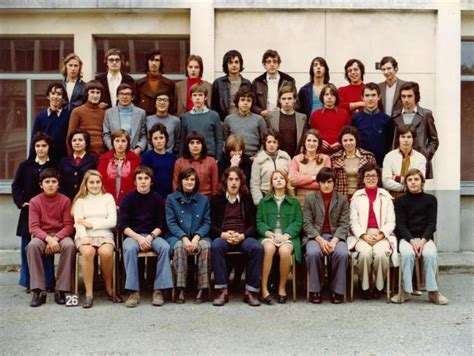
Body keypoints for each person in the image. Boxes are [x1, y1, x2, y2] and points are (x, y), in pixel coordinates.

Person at [118, 166, 173, 307]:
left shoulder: (157, 199)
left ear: (151, 181)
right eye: (140, 179)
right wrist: (139, 238)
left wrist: (150, 237)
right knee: (129, 248)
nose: (143, 182)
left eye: (146, 178)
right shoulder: (128, 199)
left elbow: (162, 224)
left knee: (165, 247)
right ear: (135, 182)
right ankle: (133, 291)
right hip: (133, 236)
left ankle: (159, 290)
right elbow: (122, 225)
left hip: (152, 235)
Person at [391, 169, 448, 305]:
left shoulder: (431, 200)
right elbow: (401, 225)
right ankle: (405, 291)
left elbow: (432, 224)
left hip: (425, 238)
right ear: (406, 183)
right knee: (407, 255)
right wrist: (411, 241)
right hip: (406, 238)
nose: (413, 182)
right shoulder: (400, 202)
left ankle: (433, 292)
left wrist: (422, 241)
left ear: (422, 182)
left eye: (416, 179)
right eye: (410, 180)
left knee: (430, 254)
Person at [210, 167, 263, 307]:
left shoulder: (247, 199)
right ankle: (222, 291)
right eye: (231, 179)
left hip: (242, 236)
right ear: (225, 181)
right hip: (224, 236)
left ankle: (250, 292)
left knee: (256, 248)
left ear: (241, 182)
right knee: (216, 246)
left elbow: (254, 225)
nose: (234, 183)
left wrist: (243, 235)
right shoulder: (216, 200)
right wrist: (222, 234)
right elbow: (211, 224)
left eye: (237, 179)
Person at [12, 132, 56, 293]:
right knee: (28, 248)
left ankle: (49, 282)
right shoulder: (25, 165)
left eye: (44, 145)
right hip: (29, 212)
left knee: (47, 249)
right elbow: (16, 186)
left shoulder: (54, 165)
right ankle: (30, 282)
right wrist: (21, 202)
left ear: (48, 147)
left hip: (49, 213)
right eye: (37, 146)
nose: (41, 149)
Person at [26, 168, 75, 307]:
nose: (50, 184)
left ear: (58, 184)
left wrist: (57, 238)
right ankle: (38, 290)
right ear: (41, 185)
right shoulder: (35, 201)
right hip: (42, 235)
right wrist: (48, 239)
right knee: (32, 246)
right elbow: (33, 227)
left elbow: (68, 226)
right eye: (47, 182)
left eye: (54, 181)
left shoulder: (65, 200)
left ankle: (61, 289)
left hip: (61, 234)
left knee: (70, 246)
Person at [72, 170, 119, 308]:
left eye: (98, 182)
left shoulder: (108, 198)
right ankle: (89, 293)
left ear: (101, 183)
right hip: (84, 235)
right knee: (87, 252)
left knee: (106, 252)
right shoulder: (80, 201)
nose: (95, 185)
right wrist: (84, 236)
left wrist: (91, 224)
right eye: (91, 182)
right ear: (86, 184)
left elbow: (112, 221)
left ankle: (109, 287)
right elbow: (78, 223)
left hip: (105, 234)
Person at [349, 163, 396, 299]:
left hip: (381, 234)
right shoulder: (356, 197)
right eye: (367, 176)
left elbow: (391, 220)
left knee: (381, 254)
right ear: (363, 179)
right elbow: (353, 221)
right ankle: (365, 286)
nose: (370, 178)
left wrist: (381, 234)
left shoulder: (385, 196)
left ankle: (379, 286)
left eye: (373, 175)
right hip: (362, 235)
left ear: (378, 177)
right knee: (364, 254)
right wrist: (363, 235)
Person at [303, 167, 349, 304]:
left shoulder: (342, 200)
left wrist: (334, 241)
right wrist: (320, 240)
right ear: (319, 183)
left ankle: (337, 290)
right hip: (315, 236)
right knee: (313, 252)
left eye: (329, 181)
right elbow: (307, 223)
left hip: (336, 236)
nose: (326, 185)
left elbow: (344, 224)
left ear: (334, 182)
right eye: (323, 182)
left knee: (342, 253)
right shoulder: (310, 199)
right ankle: (315, 290)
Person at [166, 168, 211, 304]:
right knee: (179, 247)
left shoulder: (204, 199)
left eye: (192, 179)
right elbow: (171, 222)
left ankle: (202, 288)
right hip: (178, 236)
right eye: (186, 179)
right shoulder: (171, 199)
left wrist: (197, 237)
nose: (189, 182)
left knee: (206, 247)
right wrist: (184, 238)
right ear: (180, 181)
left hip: (199, 235)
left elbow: (207, 222)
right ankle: (180, 287)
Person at [257, 170, 302, 304]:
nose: (278, 180)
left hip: (287, 236)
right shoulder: (263, 202)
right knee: (269, 249)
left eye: (281, 178)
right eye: (275, 178)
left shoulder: (294, 202)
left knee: (284, 251)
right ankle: (264, 289)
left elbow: (298, 222)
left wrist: (286, 235)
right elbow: (259, 222)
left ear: (286, 181)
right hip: (269, 235)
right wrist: (269, 233)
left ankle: (282, 287)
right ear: (271, 183)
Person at [391, 81, 439, 179]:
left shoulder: (426, 114)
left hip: (419, 162)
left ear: (416, 96)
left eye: (409, 96)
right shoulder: (395, 115)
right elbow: (393, 140)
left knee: (417, 191)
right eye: (403, 96)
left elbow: (434, 140)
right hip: (399, 161)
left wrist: (426, 155)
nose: (406, 99)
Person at [180, 83, 223, 160]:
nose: (197, 98)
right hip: (191, 157)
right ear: (191, 98)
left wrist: (218, 158)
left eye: (200, 95)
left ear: (205, 97)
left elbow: (219, 139)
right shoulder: (185, 117)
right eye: (195, 95)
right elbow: (182, 141)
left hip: (209, 156)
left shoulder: (214, 115)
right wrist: (181, 158)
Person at [331, 126, 377, 199]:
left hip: (363, 197)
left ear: (356, 140)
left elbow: (375, 178)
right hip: (340, 197)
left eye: (351, 140)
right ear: (341, 142)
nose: (348, 143)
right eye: (345, 140)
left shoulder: (368, 156)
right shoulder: (334, 158)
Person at [97, 129, 140, 206]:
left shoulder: (135, 159)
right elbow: (100, 180)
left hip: (130, 202)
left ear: (128, 143)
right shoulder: (104, 159)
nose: (120, 144)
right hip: (107, 201)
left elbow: (137, 181)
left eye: (123, 141)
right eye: (117, 141)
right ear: (113, 143)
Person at [351, 83, 391, 166]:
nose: (370, 98)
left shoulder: (387, 119)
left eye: (373, 95)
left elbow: (389, 142)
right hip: (361, 162)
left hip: (381, 162)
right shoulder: (356, 118)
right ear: (362, 97)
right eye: (367, 95)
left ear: (378, 97)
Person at [103, 83, 147, 156]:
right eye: (122, 94)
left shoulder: (141, 113)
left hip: (134, 153)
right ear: (117, 96)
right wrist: (113, 148)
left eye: (128, 94)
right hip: (115, 153)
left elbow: (144, 135)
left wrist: (139, 149)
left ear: (132, 97)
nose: (124, 96)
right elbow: (106, 134)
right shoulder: (109, 112)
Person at [289, 129, 331, 206]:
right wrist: (314, 178)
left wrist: (300, 182)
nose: (311, 143)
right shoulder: (296, 159)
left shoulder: (326, 159)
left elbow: (326, 182)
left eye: (314, 141)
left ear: (319, 143)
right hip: (300, 200)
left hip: (320, 200)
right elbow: (292, 180)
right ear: (304, 142)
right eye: (309, 140)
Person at [382, 124, 426, 197]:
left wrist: (395, 178)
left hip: (414, 198)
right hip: (393, 197)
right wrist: (406, 186)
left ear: (413, 139)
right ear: (398, 138)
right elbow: (386, 182)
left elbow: (421, 182)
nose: (406, 140)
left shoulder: (420, 158)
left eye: (409, 137)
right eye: (403, 137)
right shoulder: (389, 156)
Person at [250, 128, 291, 206]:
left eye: (274, 142)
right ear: (264, 143)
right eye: (269, 142)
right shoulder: (258, 160)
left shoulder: (285, 157)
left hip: (284, 197)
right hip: (266, 197)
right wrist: (259, 202)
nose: (272, 145)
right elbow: (255, 183)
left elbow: (291, 179)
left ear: (278, 143)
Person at [30, 82, 70, 161]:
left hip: (62, 159)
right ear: (48, 96)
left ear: (63, 98)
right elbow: (34, 140)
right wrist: (31, 161)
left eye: (59, 94)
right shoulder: (40, 116)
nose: (55, 97)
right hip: (44, 159)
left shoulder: (68, 115)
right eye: (53, 93)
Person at [251, 49, 297, 118]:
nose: (272, 64)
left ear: (278, 64)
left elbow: (297, 102)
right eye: (269, 62)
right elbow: (252, 104)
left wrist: (283, 110)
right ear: (264, 65)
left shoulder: (289, 81)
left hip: (283, 118)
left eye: (275, 62)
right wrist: (261, 112)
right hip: (263, 119)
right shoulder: (257, 82)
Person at [223, 87, 267, 157]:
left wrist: (257, 157)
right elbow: (224, 141)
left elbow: (265, 142)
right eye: (242, 100)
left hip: (253, 158)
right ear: (237, 102)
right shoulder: (229, 119)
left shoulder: (259, 119)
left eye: (249, 100)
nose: (246, 103)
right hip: (235, 157)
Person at [67, 80, 107, 157]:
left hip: (102, 154)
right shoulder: (77, 111)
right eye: (92, 92)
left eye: (98, 92)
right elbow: (70, 136)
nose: (95, 95)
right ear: (86, 93)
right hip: (83, 154)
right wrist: (72, 157)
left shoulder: (104, 113)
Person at [173, 132, 219, 197]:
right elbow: (176, 185)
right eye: (192, 143)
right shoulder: (179, 162)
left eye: (198, 143)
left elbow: (215, 187)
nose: (195, 145)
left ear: (202, 145)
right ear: (187, 145)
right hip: (185, 199)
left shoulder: (211, 162)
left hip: (207, 199)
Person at [266, 85, 307, 158]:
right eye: (283, 99)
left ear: (295, 99)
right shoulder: (271, 117)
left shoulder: (302, 118)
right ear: (279, 100)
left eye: (289, 98)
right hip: (276, 158)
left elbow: (304, 139)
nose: (286, 102)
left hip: (296, 157)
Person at [310, 83, 350, 155]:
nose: (329, 97)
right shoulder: (315, 114)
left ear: (336, 97)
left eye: (332, 95)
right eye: (326, 94)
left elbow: (348, 133)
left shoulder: (344, 113)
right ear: (322, 97)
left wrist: (341, 142)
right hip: (320, 154)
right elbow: (312, 135)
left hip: (340, 153)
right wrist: (319, 142)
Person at [211, 50, 252, 121]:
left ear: (240, 64)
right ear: (226, 65)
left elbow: (251, 105)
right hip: (224, 122)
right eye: (230, 62)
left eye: (236, 62)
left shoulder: (247, 83)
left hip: (243, 121)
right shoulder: (218, 83)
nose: (234, 65)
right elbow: (214, 107)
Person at [59, 129, 97, 200]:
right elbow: (60, 181)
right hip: (67, 199)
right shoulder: (64, 161)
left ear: (86, 143)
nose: (77, 143)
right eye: (74, 140)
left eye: (80, 140)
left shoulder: (93, 160)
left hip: (86, 198)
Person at [141, 123, 176, 199]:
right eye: (155, 138)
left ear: (166, 139)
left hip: (169, 196)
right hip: (152, 196)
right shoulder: (146, 157)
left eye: (161, 138)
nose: (159, 141)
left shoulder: (172, 157)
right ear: (151, 140)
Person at [136, 50, 175, 115]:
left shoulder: (169, 84)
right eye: (151, 60)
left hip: (163, 120)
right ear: (147, 62)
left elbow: (172, 106)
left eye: (157, 60)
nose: (154, 63)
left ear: (161, 63)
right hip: (144, 120)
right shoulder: (139, 84)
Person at [146, 90, 180, 155]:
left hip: (168, 157)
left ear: (169, 103)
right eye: (159, 100)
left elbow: (177, 141)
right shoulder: (147, 119)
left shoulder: (176, 121)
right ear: (155, 103)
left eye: (165, 100)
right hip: (150, 157)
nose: (162, 102)